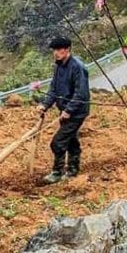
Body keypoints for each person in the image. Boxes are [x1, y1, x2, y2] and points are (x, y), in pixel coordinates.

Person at [37, 35, 90, 184]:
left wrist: (69, 110)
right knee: (70, 140)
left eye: (59, 49)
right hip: (65, 110)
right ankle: (73, 169)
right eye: (54, 50)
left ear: (67, 50)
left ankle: (57, 172)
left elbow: (81, 93)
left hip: (77, 112)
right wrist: (44, 105)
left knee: (58, 142)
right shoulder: (58, 66)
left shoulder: (77, 67)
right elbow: (53, 89)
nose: (55, 53)